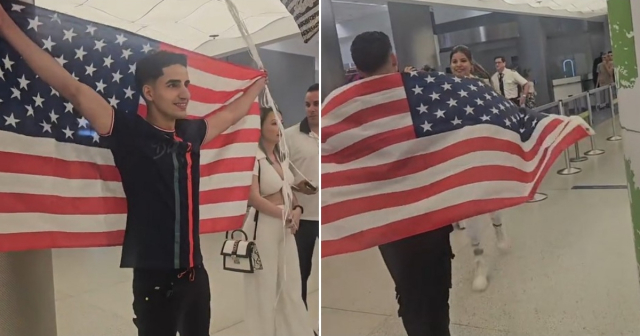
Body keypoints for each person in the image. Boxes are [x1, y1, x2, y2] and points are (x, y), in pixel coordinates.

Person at [0, 7, 267, 336]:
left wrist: (257, 85)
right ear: (149, 93)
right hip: (155, 279)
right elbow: (72, 88)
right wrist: (7, 27)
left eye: (186, 84)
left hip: (197, 273)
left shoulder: (190, 133)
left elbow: (231, 114)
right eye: (173, 85)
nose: (184, 93)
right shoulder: (128, 133)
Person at [351, 31, 454, 336]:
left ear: (358, 69)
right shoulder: (421, 93)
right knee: (437, 295)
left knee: (409, 293)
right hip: (429, 215)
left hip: (389, 224)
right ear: (393, 59)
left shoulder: (350, 112)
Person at [244, 107, 315, 336]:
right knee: (262, 287)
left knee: (291, 282)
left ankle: (294, 330)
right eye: (274, 123)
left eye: (281, 123)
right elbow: (253, 197)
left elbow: (286, 189)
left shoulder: (280, 156)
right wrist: (281, 213)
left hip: (285, 227)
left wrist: (296, 208)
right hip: (264, 224)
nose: (280, 129)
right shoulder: (254, 158)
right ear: (260, 127)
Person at [449, 45, 511, 292]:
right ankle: (479, 261)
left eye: (463, 60)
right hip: (460, 158)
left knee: (491, 203)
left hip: (483, 152)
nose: (458, 64)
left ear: (471, 64)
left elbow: (498, 114)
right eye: (454, 61)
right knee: (470, 210)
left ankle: (499, 230)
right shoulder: (444, 90)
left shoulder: (483, 87)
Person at [285, 84, 319, 308]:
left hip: (331, 213)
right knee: (299, 273)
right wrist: (297, 186)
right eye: (307, 104)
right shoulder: (289, 136)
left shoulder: (333, 133)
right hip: (303, 218)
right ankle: (299, 324)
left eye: (316, 104)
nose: (311, 109)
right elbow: (279, 173)